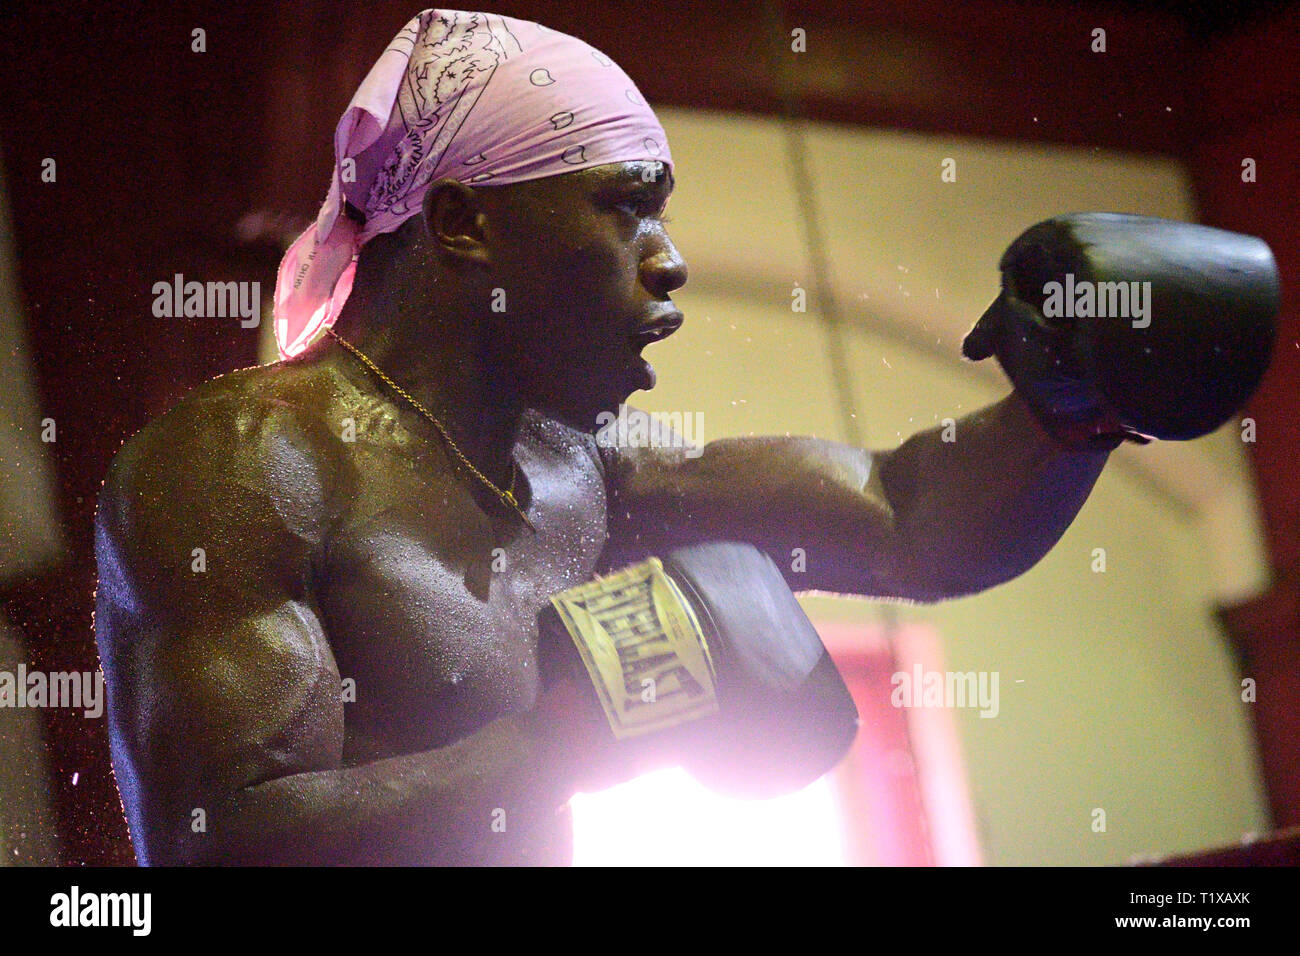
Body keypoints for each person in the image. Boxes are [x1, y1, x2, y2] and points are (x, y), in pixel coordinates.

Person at [92, 9, 1263, 865]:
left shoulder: (584, 470)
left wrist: (1074, 405)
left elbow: (908, 517)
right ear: (464, 223)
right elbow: (208, 844)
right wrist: (560, 741)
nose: (671, 256)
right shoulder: (243, 466)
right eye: (626, 204)